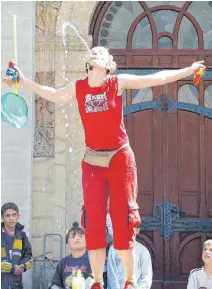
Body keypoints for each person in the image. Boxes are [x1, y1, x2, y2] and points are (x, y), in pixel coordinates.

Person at [3, 46, 206, 289]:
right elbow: (53, 93)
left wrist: (189, 69)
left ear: (107, 64)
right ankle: (97, 282)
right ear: (89, 63)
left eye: (101, 53)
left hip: (120, 158)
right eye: (94, 52)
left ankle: (130, 281)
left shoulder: (116, 83)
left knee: (123, 221)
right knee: (94, 222)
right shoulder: (78, 87)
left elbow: (156, 78)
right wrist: (23, 80)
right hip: (93, 161)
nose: (96, 53)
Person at [49, 222, 93, 289]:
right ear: (67, 243)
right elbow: (56, 283)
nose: (77, 238)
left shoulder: (93, 259)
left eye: (81, 236)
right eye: (73, 236)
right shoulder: (63, 262)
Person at [1, 202, 33, 289]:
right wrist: (12, 268)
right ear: (2, 218)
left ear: (18, 216)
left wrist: (23, 266)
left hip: (16, 284)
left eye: (13, 215)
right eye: (8, 216)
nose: (11, 218)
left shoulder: (22, 236)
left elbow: (29, 257)